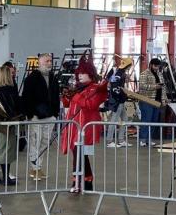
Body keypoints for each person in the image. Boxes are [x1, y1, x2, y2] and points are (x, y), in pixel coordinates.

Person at [60, 57, 108, 193]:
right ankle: (86, 180)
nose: (79, 75)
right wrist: (66, 97)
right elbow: (69, 105)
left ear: (90, 74)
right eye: (78, 73)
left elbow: (90, 105)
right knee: (79, 154)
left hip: (87, 127)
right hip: (75, 126)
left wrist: (75, 96)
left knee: (80, 154)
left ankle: (78, 182)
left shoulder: (96, 89)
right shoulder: (78, 88)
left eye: (82, 73)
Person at [20, 53, 60, 181]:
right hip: (36, 117)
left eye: (50, 61)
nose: (49, 63)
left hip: (50, 116)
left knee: (45, 142)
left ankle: (37, 167)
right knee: (35, 142)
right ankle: (35, 168)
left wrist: (55, 113)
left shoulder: (53, 77)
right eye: (47, 61)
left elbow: (56, 96)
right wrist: (31, 114)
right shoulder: (31, 78)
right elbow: (26, 98)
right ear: (40, 62)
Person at [104, 57, 132, 148]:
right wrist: (122, 95)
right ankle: (109, 141)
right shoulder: (118, 73)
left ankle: (121, 140)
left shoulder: (121, 73)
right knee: (114, 120)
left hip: (121, 100)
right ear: (128, 65)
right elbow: (114, 87)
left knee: (125, 119)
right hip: (117, 101)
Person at [138, 58, 165, 146]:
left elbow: (163, 88)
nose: (157, 68)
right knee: (146, 120)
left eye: (158, 66)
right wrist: (154, 87)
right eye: (155, 66)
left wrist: (164, 99)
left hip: (157, 101)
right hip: (147, 101)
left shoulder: (160, 74)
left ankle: (149, 139)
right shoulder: (144, 74)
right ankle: (142, 140)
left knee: (154, 121)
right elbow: (142, 86)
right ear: (151, 65)